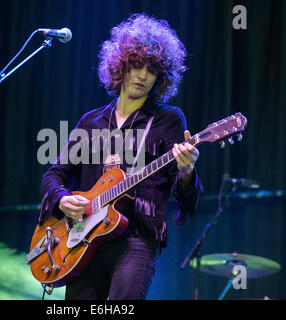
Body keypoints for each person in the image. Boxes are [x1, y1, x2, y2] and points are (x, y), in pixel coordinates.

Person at [38, 13, 202, 300]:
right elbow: (54, 174)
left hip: (136, 239)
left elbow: (186, 196)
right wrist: (63, 199)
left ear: (160, 77)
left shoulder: (168, 120)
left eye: (152, 70)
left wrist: (186, 171)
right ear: (121, 66)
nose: (142, 75)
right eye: (137, 65)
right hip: (83, 241)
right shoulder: (91, 122)